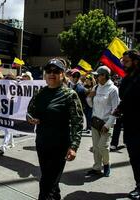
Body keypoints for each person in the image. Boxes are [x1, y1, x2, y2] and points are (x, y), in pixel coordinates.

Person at [27, 58, 83, 200]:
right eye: (49, 71)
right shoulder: (40, 93)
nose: (52, 74)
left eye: (56, 71)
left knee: (46, 183)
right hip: (42, 144)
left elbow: (77, 122)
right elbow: (29, 112)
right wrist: (31, 118)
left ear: (62, 74)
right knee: (50, 180)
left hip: (59, 146)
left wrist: (74, 146)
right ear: (45, 74)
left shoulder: (70, 95)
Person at [118, 50, 140, 199]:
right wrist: (119, 109)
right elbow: (125, 99)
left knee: (136, 157)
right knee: (133, 157)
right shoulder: (128, 78)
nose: (123, 64)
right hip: (129, 124)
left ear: (136, 62)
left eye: (126, 61)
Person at [86, 66, 119, 177]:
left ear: (104, 75)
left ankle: (106, 164)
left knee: (103, 146)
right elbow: (91, 105)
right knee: (96, 147)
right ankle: (96, 168)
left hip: (106, 123)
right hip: (95, 121)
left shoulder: (113, 89)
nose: (96, 77)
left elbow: (116, 109)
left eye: (97, 75)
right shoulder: (96, 87)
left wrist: (108, 124)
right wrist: (89, 97)